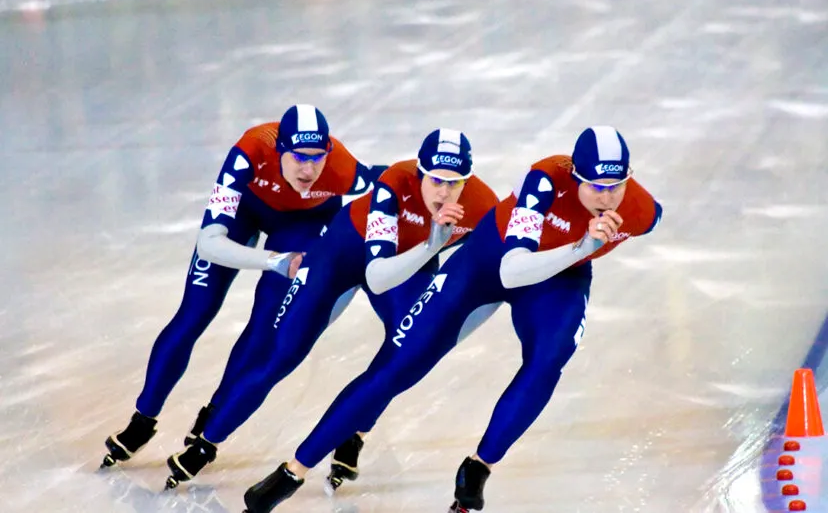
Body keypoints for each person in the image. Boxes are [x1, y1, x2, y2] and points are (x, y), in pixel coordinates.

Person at [241, 126, 664, 513]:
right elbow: (512, 271)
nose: (607, 197)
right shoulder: (546, 180)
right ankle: (292, 471)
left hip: (558, 279)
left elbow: (653, 214)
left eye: (616, 186)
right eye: (595, 186)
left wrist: (580, 251)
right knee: (399, 366)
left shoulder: (640, 209)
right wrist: (583, 244)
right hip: (485, 265)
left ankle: (478, 467)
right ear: (576, 177)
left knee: (548, 360)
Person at [162, 128, 501, 489]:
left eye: (456, 182)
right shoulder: (395, 182)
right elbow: (378, 274)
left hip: (408, 263)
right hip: (342, 257)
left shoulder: (482, 206)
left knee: (404, 355)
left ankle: (354, 433)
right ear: (420, 172)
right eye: (436, 180)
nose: (445, 192)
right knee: (282, 354)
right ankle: (207, 442)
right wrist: (433, 246)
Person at [101, 104, 387, 468]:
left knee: (265, 324)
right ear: (280, 149)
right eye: (299, 157)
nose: (309, 169)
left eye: (317, 158)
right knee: (194, 313)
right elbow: (209, 242)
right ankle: (143, 419)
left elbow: (392, 183)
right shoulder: (248, 153)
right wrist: (273, 261)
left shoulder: (342, 169)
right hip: (247, 212)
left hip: (304, 225)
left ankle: (215, 411)